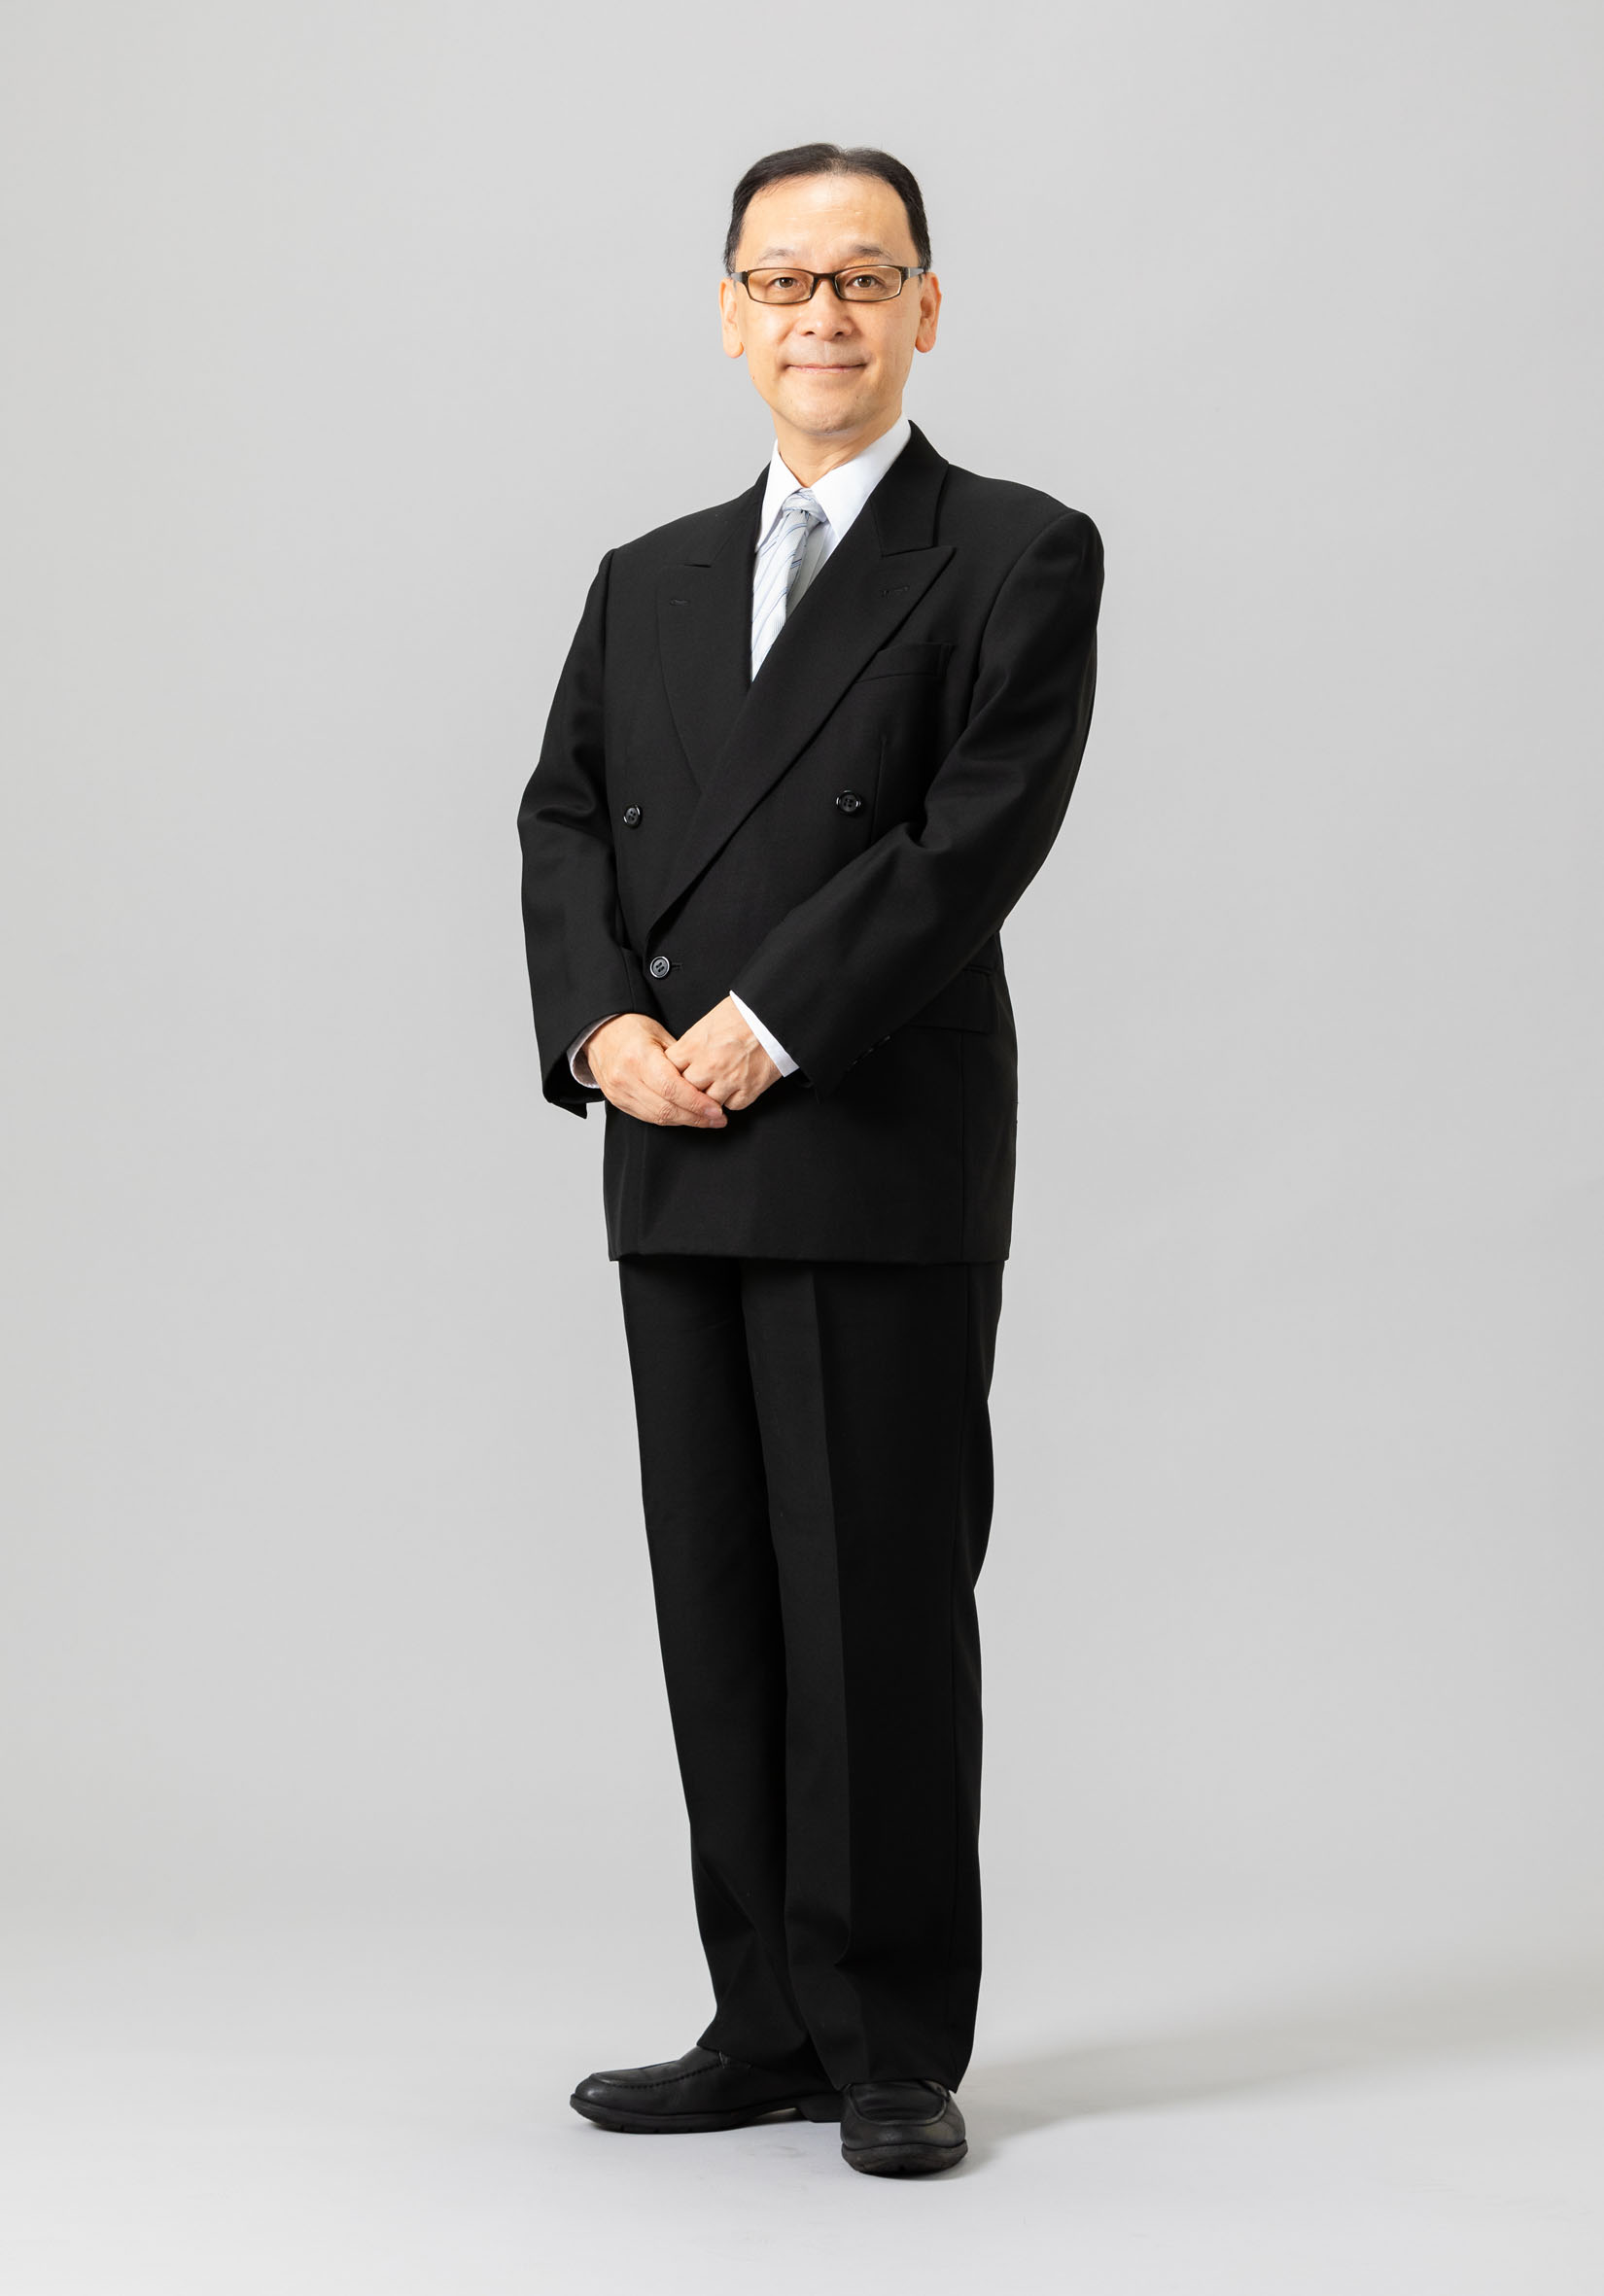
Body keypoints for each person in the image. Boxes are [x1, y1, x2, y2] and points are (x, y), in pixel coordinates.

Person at [516, 141, 1104, 2178]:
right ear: (729, 313)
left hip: (865, 1130)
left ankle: (888, 2039)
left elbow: (974, 835)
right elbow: (564, 817)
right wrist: (603, 1032)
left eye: (864, 277)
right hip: (668, 1137)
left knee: (877, 1601)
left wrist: (758, 1026)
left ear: (927, 307)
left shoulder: (1013, 549)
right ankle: (759, 2017)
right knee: (722, 1599)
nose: (822, 315)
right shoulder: (646, 574)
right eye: (784, 280)